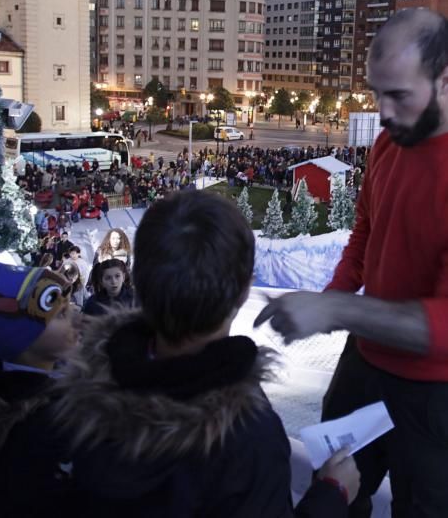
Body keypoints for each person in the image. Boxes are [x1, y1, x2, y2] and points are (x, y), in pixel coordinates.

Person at [54, 191, 358, 516]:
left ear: (138, 281)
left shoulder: (78, 394)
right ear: (244, 290)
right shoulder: (247, 439)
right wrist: (332, 495)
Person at [254, 8, 448, 518]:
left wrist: (337, 313)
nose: (381, 112)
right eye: (375, 93)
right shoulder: (391, 142)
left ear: (444, 79)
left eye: (398, 95)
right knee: (337, 491)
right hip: (365, 365)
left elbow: (443, 327)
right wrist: (332, 298)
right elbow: (366, 233)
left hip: (434, 395)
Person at [0, 263, 78, 517]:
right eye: (61, 313)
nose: (76, 316)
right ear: (22, 339)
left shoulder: (57, 376)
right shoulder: (38, 429)